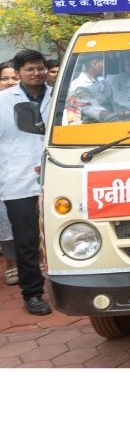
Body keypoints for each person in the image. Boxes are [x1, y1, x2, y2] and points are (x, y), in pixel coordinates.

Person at [0, 50, 53, 314]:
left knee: (63, 234)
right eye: (30, 69)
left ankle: (66, 285)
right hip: (17, 180)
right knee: (26, 241)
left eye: (40, 68)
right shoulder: (2, 102)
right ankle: (32, 294)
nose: (36, 73)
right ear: (19, 71)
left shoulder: (59, 96)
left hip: (57, 177)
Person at [0, 61, 18, 286]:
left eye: (14, 77)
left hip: (25, 170)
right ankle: (11, 263)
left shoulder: (29, 102)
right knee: (4, 219)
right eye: (5, 78)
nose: (10, 82)